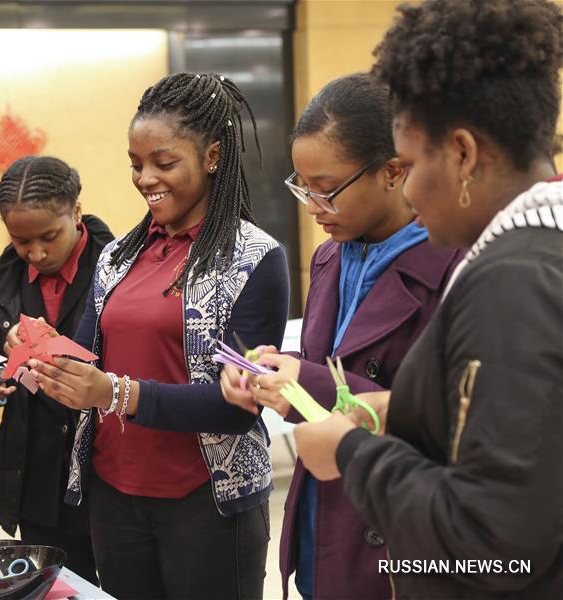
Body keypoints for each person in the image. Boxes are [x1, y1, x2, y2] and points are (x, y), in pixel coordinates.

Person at [293, 0, 563, 598]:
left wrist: (353, 453)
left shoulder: (510, 282)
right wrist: (402, 409)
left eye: (410, 165)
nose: (408, 188)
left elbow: (496, 544)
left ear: (463, 154)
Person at [28, 73, 290, 600]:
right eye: (135, 163)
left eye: (163, 163)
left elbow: (236, 404)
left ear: (212, 156)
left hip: (205, 503)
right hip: (113, 497)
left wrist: (115, 393)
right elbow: (88, 361)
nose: (145, 177)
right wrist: (39, 357)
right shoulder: (118, 256)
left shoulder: (255, 258)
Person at [219, 73, 461, 600]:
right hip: (321, 511)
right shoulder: (330, 256)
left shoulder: (453, 267)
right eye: (302, 187)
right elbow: (323, 363)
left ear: (393, 172)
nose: (312, 207)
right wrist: (266, 373)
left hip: (397, 532)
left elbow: (450, 413)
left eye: (327, 191)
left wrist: (303, 381)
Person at [0, 155, 113, 584]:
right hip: (36, 472)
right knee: (54, 586)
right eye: (21, 241)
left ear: (76, 213)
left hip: (107, 467)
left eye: (49, 236)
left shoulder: (117, 270)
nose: (37, 252)